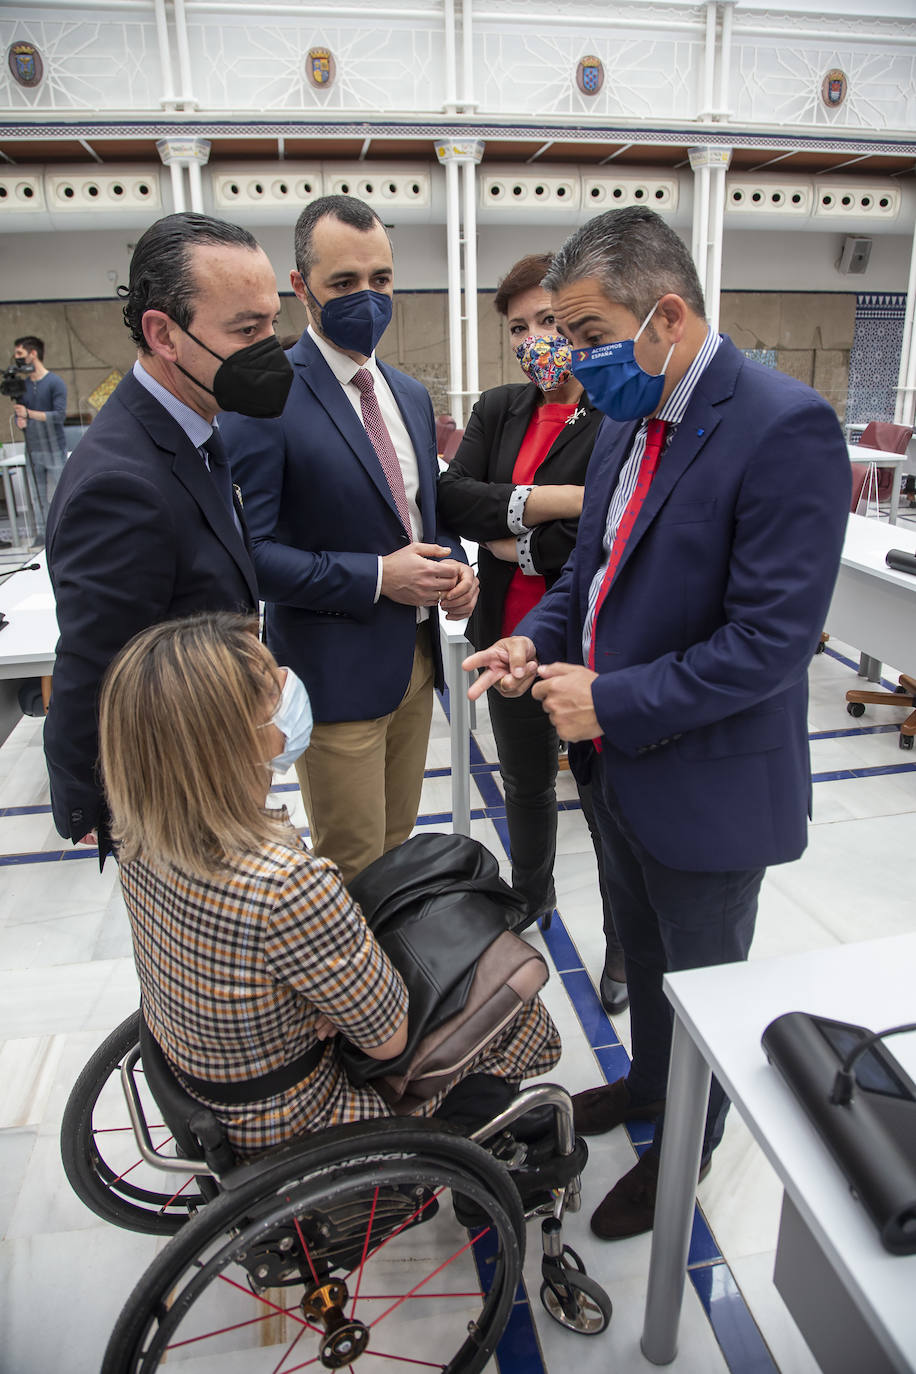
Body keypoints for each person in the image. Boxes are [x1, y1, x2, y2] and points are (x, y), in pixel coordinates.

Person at [463, 206, 851, 1241]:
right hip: (618, 765)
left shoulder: (783, 426)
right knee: (639, 944)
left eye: (589, 337)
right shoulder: (635, 417)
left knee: (704, 985)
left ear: (666, 315)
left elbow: (770, 643)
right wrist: (534, 642)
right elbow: (587, 576)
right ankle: (647, 1093)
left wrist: (613, 698)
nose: (572, 359)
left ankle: (690, 1149)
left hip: (707, 776)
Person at [98, 611, 560, 1159]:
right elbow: (387, 1036)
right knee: (517, 1009)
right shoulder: (286, 885)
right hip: (300, 1121)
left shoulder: (139, 839)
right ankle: (473, 1151)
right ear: (231, 740)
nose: (289, 685)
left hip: (205, 1081)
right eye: (272, 688)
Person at [222, 195, 477, 885]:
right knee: (354, 861)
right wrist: (375, 576)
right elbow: (251, 556)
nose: (367, 298)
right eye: (344, 283)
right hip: (335, 676)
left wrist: (455, 568)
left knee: (396, 851)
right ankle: (357, 991)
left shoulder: (409, 394)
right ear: (301, 287)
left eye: (381, 280)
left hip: (416, 666)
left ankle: (392, 980)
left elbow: (422, 517)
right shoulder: (263, 395)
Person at [44, 211, 293, 861]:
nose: (272, 346)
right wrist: (95, 802)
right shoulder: (123, 483)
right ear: (164, 334)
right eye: (247, 329)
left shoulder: (198, 430)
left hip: (224, 763)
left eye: (272, 321)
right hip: (179, 800)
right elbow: (95, 668)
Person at [437, 255, 627, 1010]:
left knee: (603, 796)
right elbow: (455, 501)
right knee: (523, 782)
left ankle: (622, 944)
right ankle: (531, 897)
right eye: (519, 327)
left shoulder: (616, 412)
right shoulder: (501, 408)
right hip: (506, 633)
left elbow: (609, 528)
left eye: (548, 320)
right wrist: (560, 501)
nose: (534, 338)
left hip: (583, 641)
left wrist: (516, 531)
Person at [11, 335, 68, 530]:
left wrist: (29, 413)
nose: (17, 357)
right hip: (33, 449)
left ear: (33, 353)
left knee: (62, 493)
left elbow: (58, 416)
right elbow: (24, 417)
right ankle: (43, 532)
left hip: (53, 448)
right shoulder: (23, 386)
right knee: (38, 497)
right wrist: (21, 419)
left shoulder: (55, 383)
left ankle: (65, 528)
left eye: (20, 353)